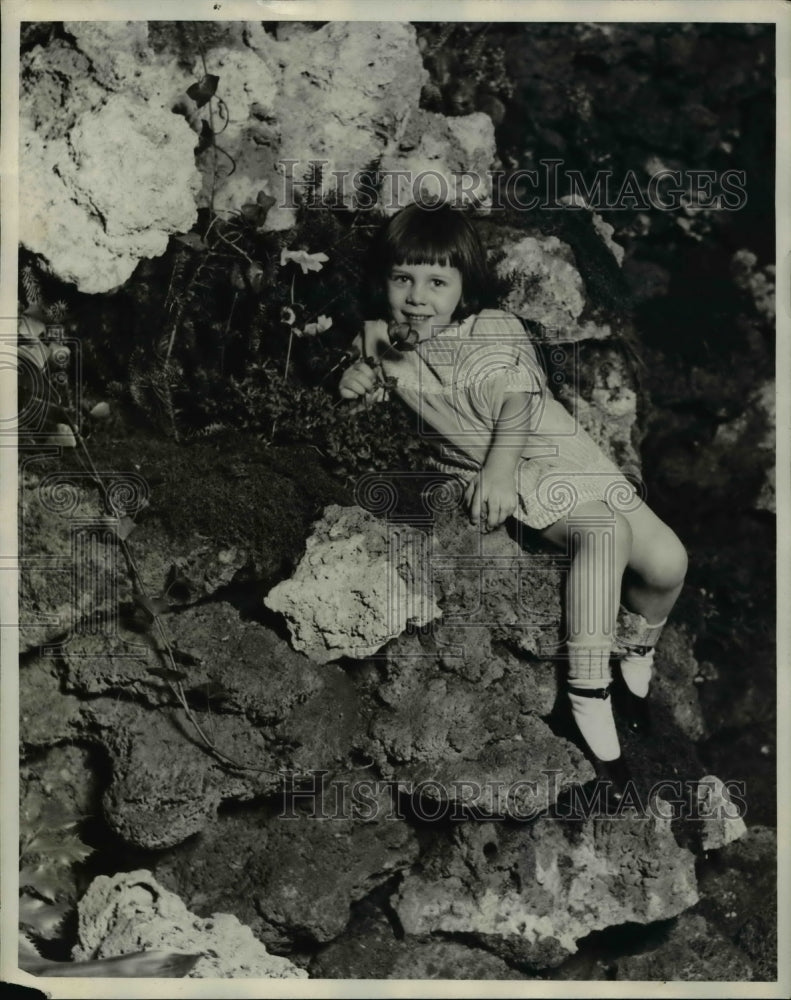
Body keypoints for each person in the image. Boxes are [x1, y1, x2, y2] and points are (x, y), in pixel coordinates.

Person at [339, 203, 687, 800]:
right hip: (508, 475)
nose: (417, 297)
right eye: (403, 279)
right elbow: (358, 403)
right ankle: (587, 693)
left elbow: (518, 404)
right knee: (604, 533)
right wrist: (354, 383)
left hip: (545, 452)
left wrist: (498, 473)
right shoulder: (381, 343)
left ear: (464, 287)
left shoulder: (494, 328)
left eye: (437, 282)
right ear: (384, 282)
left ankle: (636, 653)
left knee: (669, 562)